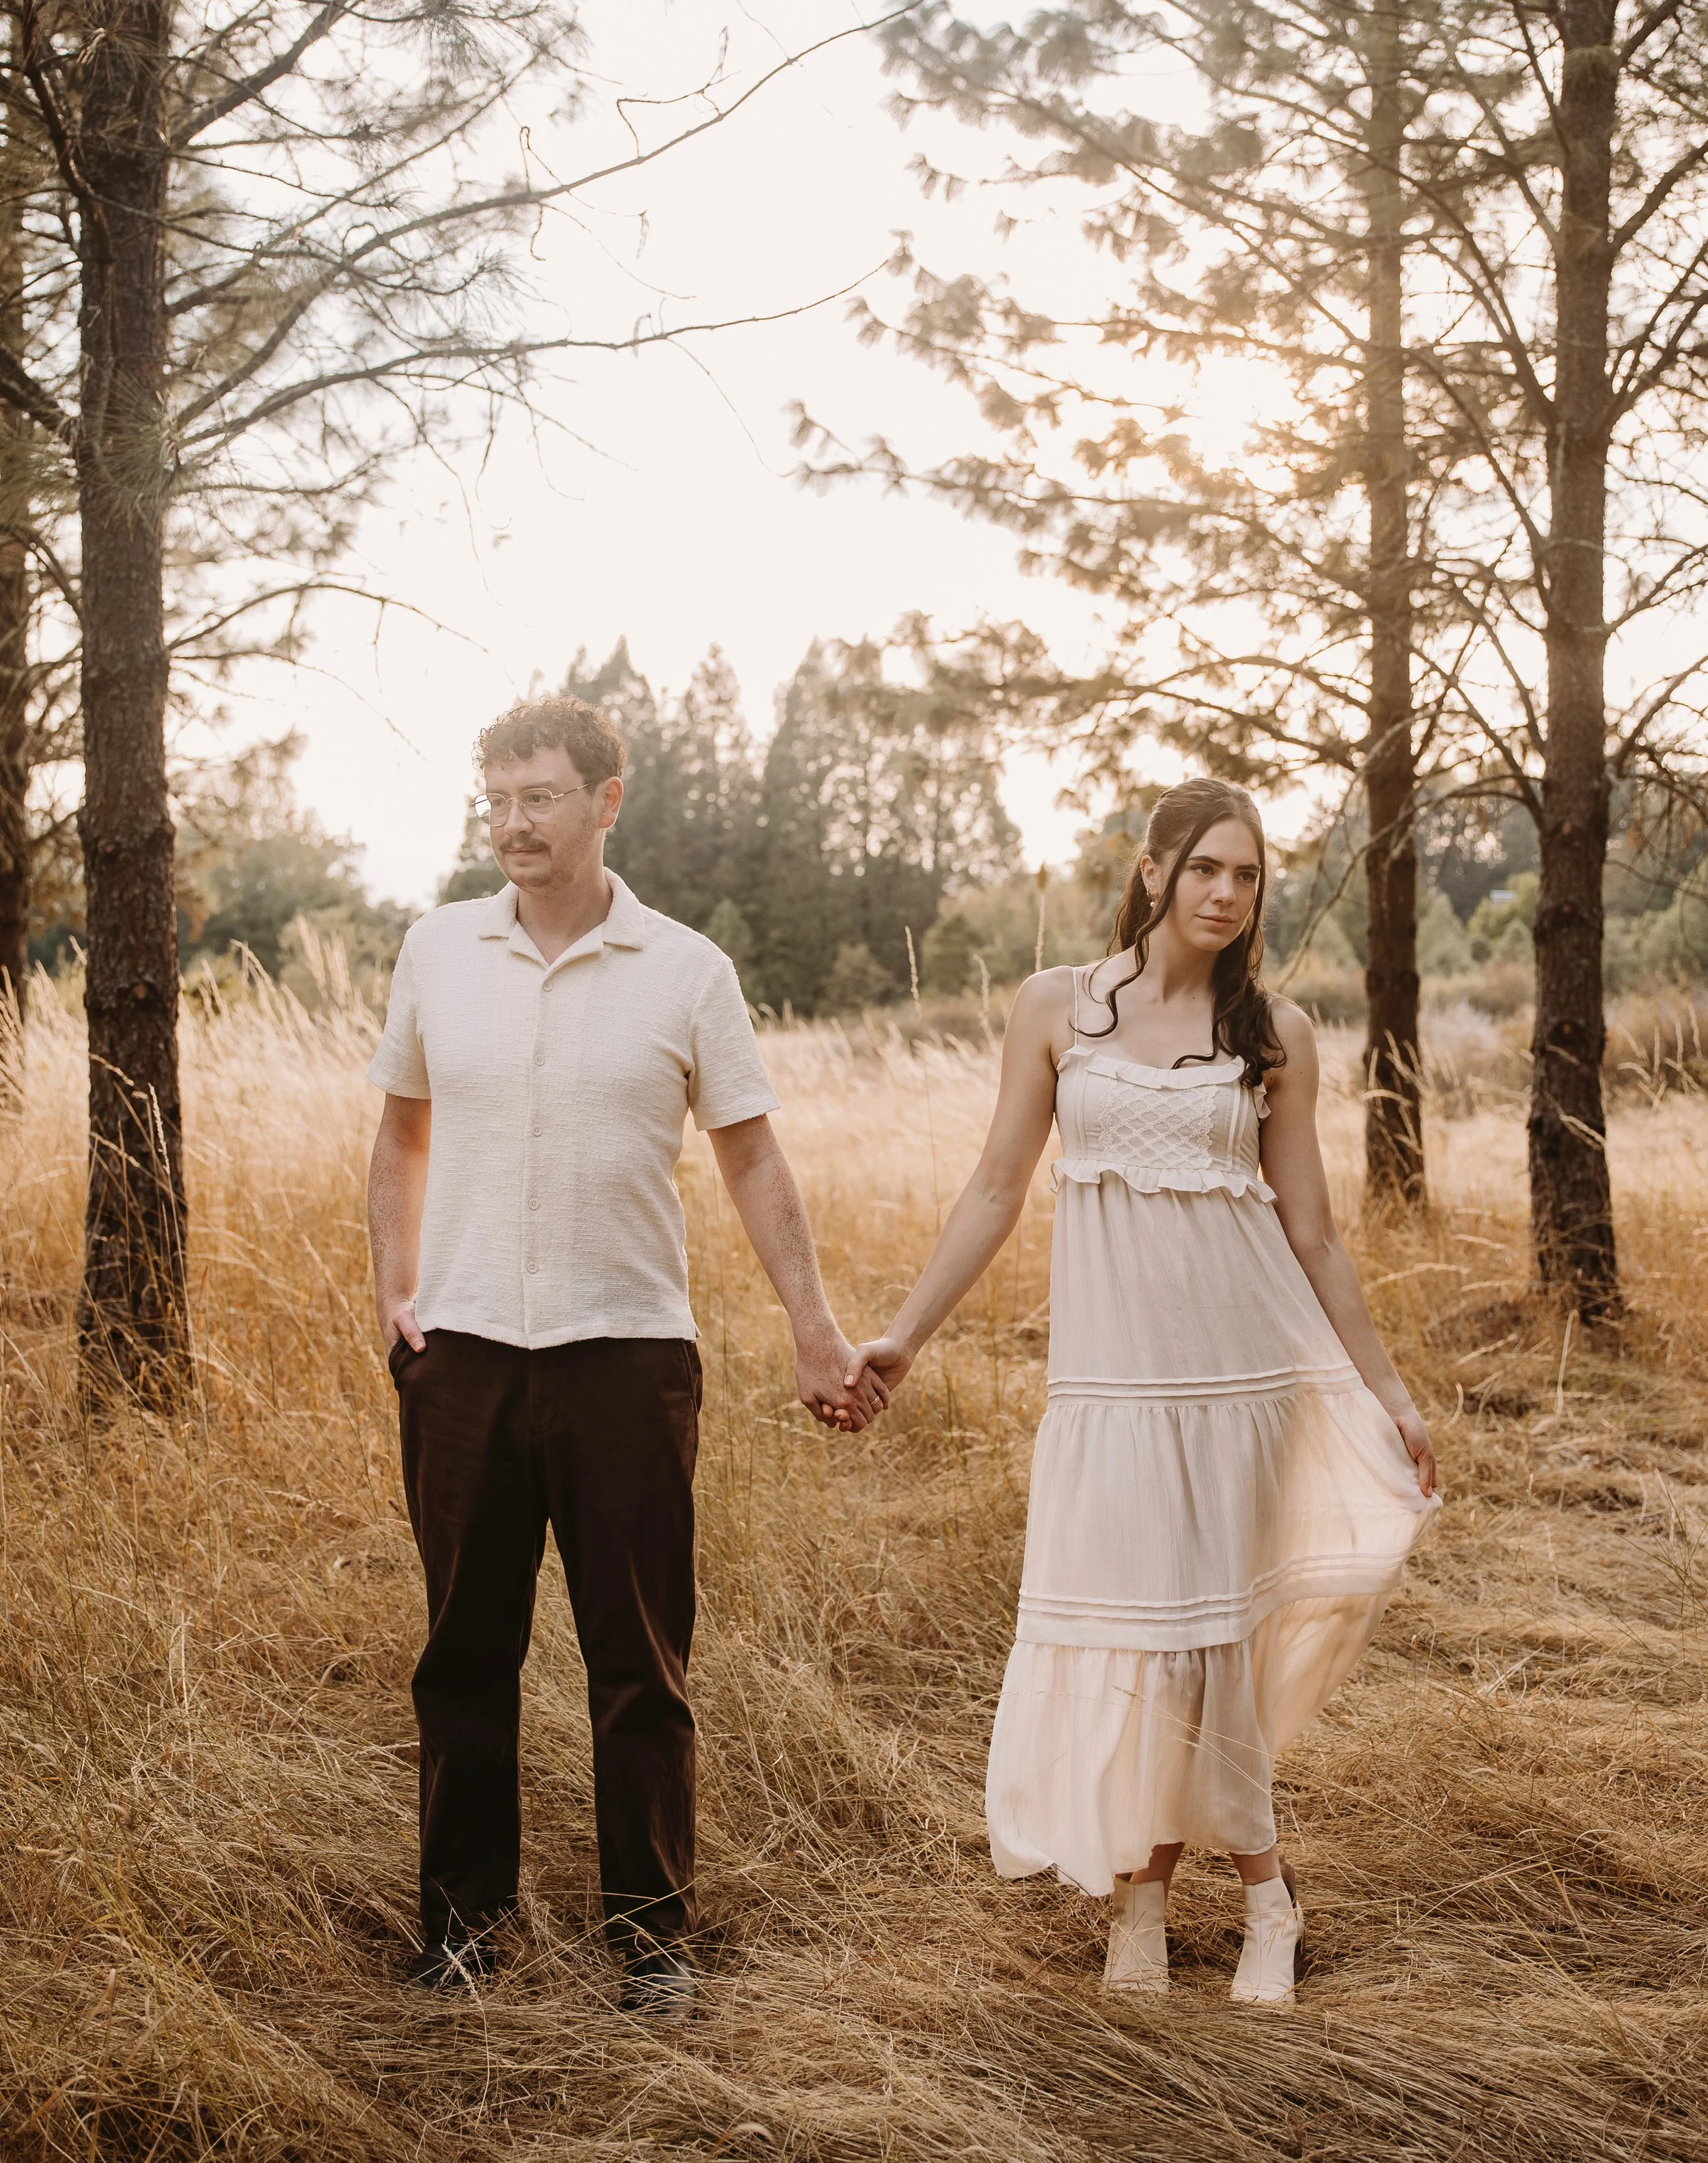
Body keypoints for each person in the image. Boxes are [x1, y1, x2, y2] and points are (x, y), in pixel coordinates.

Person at [843, 777, 1440, 2005]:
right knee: (1135, 1638)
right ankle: (1162, 1895)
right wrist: (904, 1334)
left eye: (1249, 875)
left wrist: (1387, 1390)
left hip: (1239, 1379)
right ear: (1155, 868)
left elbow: (1314, 1231)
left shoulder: (1275, 1029)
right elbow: (997, 1188)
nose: (1226, 893)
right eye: (1206, 868)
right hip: (1115, 1387)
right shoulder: (1056, 1008)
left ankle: (1244, 1902)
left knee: (1205, 1641)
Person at [366, 694, 883, 2013]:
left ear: (607, 799)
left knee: (639, 1664)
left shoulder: (688, 970)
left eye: (538, 795)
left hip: (628, 1359)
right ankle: (463, 1931)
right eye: (496, 797)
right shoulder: (438, 949)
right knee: (463, 1658)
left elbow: (752, 1153)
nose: (512, 822)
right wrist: (398, 1295)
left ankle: (652, 1943)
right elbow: (401, 1132)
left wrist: (812, 1324)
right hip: (466, 1356)